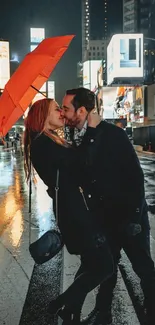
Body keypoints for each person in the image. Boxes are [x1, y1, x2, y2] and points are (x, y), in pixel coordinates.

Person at [62, 87, 155, 325]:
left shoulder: (115, 135)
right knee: (107, 269)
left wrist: (135, 218)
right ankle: (103, 313)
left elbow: (135, 178)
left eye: (66, 109)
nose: (63, 114)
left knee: (143, 267)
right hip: (106, 219)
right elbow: (83, 171)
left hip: (129, 218)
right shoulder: (80, 136)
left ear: (81, 110)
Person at [24, 98, 115, 325]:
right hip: (76, 215)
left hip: (77, 211)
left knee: (93, 264)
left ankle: (70, 312)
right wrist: (91, 131)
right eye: (57, 109)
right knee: (104, 266)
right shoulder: (42, 144)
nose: (61, 113)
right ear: (43, 115)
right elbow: (79, 163)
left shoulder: (50, 141)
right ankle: (60, 303)